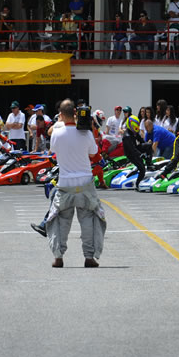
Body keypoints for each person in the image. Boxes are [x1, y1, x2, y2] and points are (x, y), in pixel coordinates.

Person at [36, 100, 106, 268]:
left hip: (65, 183)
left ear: (60, 114)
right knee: (89, 220)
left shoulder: (57, 133)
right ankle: (89, 257)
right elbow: (94, 153)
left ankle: (58, 257)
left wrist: (60, 123)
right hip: (85, 183)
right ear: (76, 112)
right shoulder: (87, 133)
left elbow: (53, 149)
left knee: (61, 220)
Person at [122, 115, 151, 192]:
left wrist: (146, 150)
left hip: (135, 149)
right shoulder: (127, 136)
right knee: (142, 168)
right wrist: (141, 155)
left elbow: (141, 140)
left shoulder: (134, 132)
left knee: (148, 145)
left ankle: (149, 164)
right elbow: (132, 149)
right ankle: (138, 184)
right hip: (130, 153)